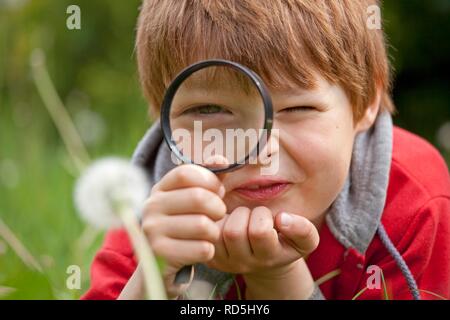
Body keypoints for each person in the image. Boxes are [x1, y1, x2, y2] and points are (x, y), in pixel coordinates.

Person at [82, 0, 450, 300]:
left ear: (366, 102)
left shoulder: (414, 210)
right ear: (163, 114)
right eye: (209, 111)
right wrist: (150, 276)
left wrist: (277, 278)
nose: (259, 152)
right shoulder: (148, 208)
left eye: (296, 109)